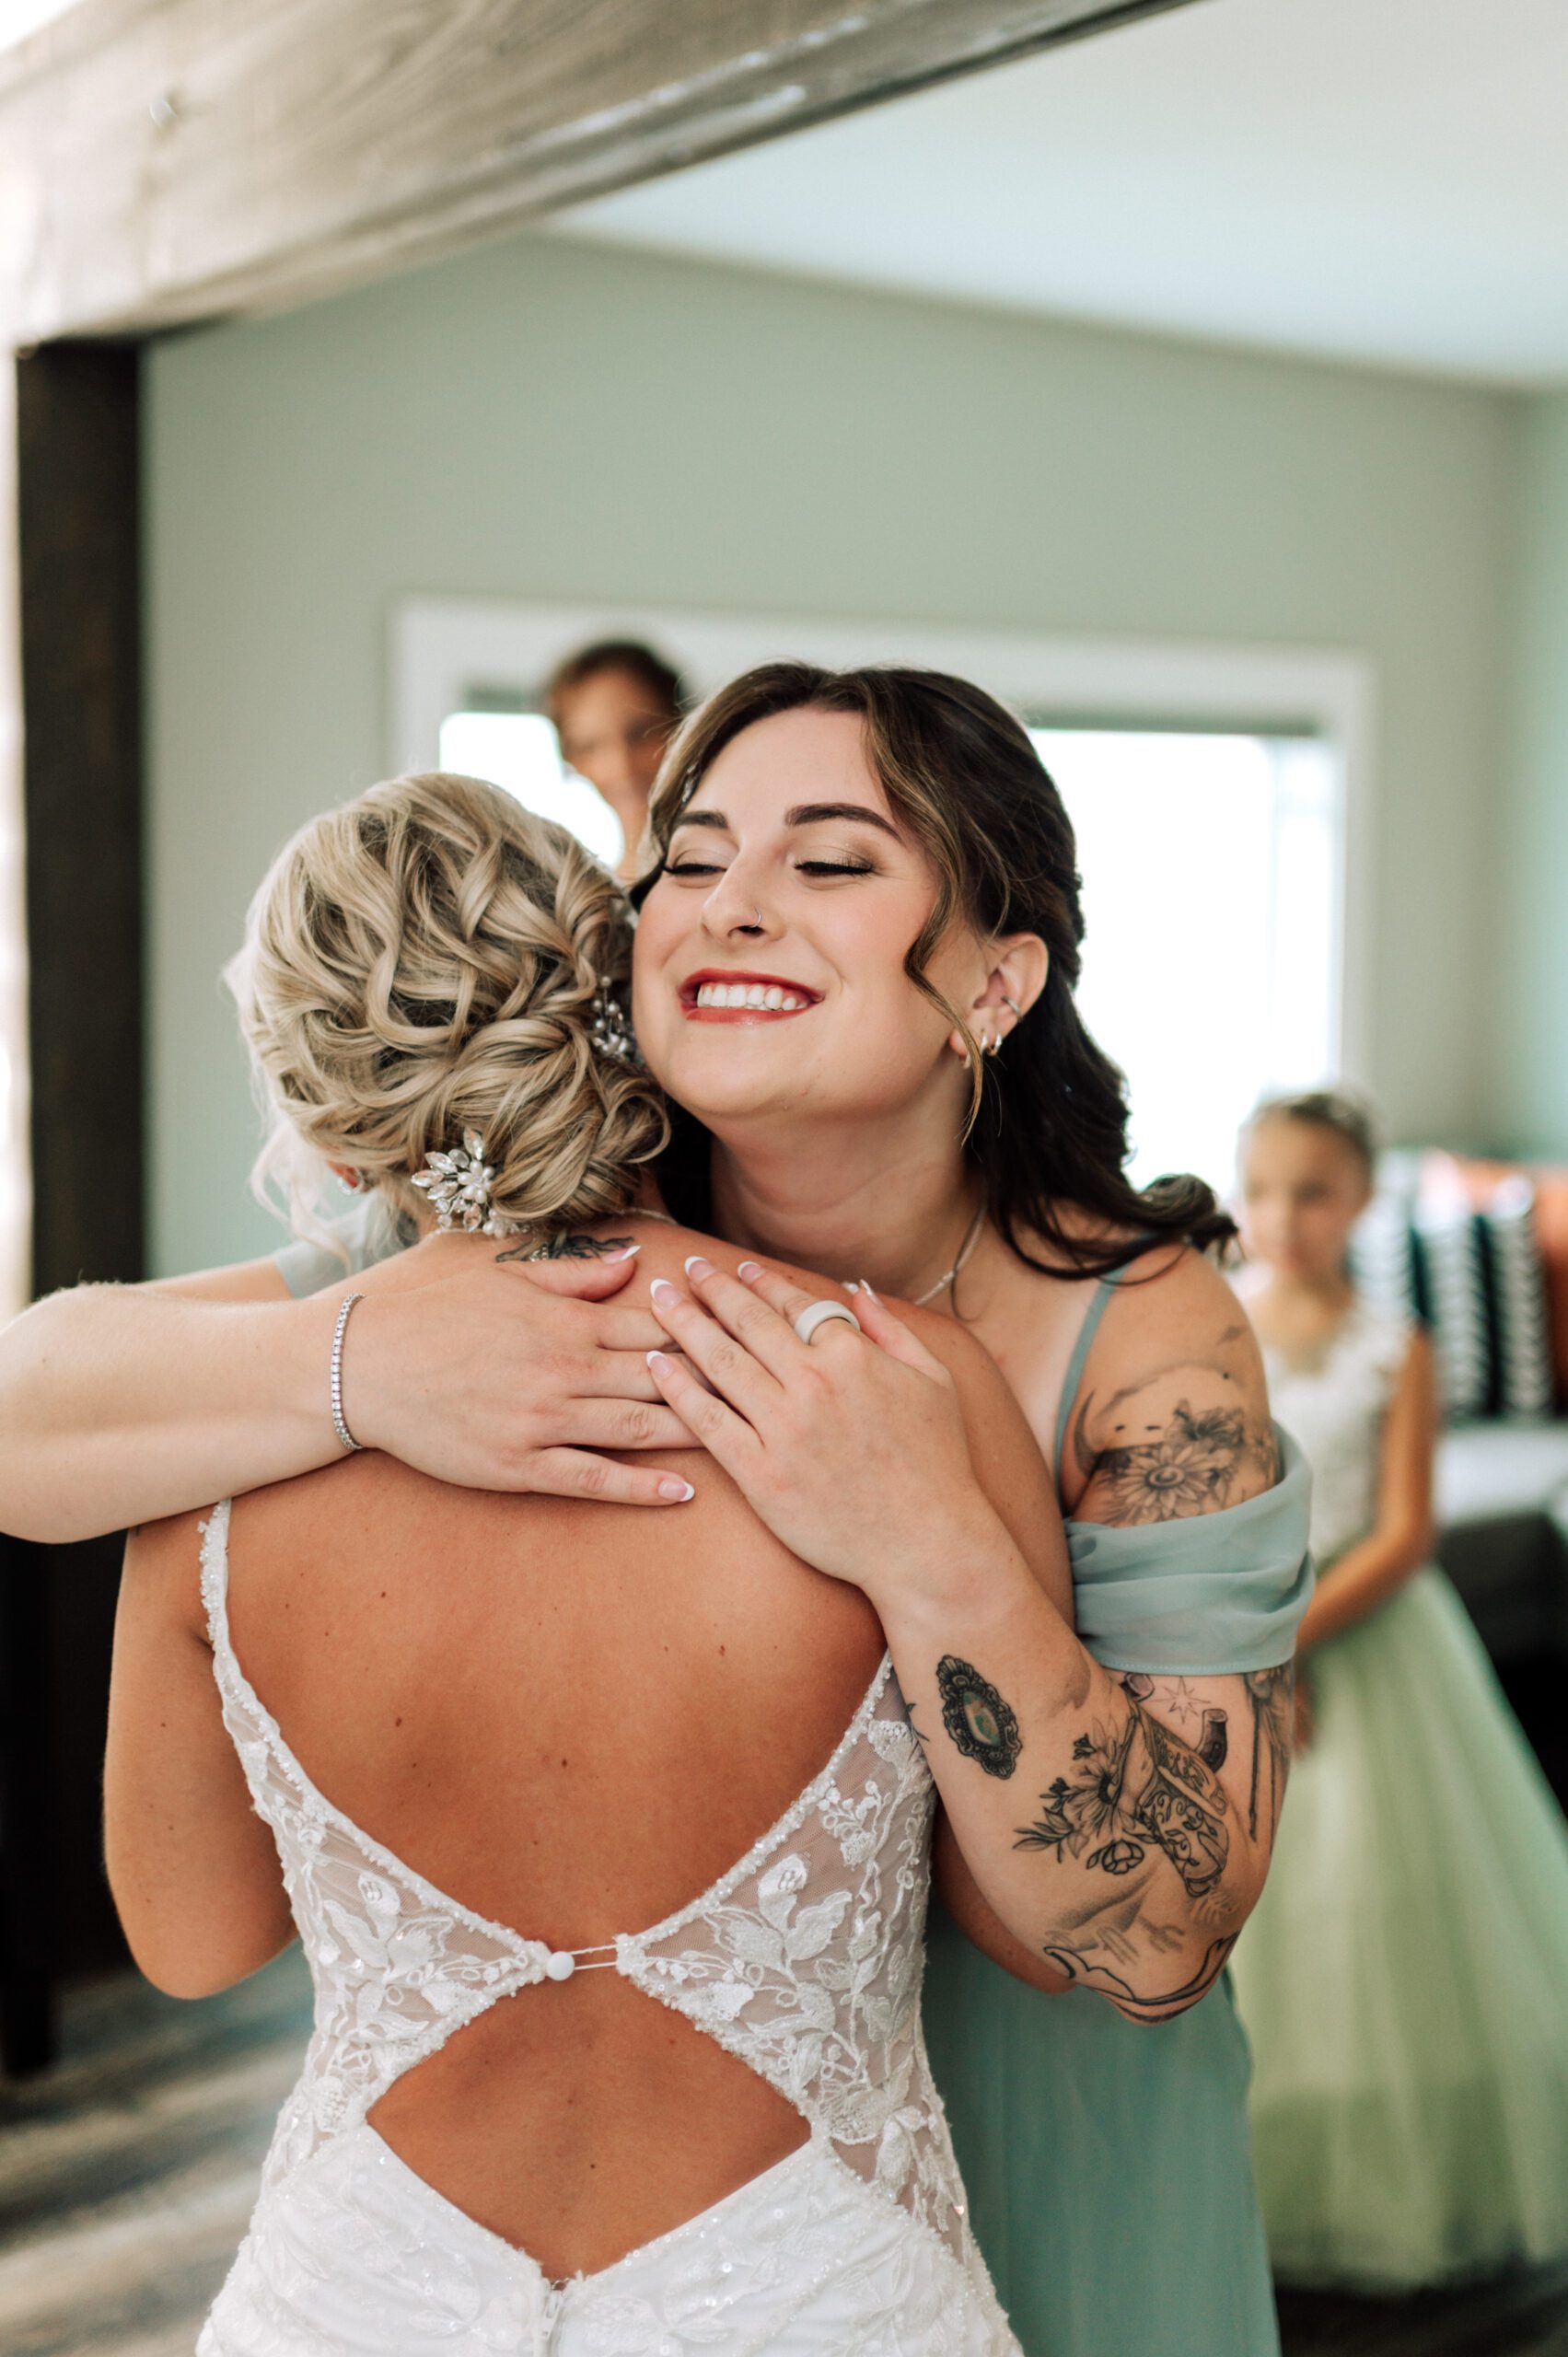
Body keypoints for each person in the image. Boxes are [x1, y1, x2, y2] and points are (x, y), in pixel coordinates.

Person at [2, 667, 1312, 2357]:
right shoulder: (457, 1282)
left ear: (992, 982)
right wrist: (347, 1364)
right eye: (687, 860)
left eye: (830, 863)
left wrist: (926, 1541)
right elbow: (38, 1396)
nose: (732, 903)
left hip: (1048, 2159)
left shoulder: (1141, 1340)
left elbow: (1147, 1940)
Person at [106, 770, 1068, 2353]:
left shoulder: (209, 1479)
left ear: (330, 1118)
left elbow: (193, 1947)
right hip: (809, 2299)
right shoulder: (902, 1382)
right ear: (608, 998)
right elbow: (1025, 1917)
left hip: (366, 2298)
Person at [1228, 1090, 1568, 2291]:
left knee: (1374, 1910)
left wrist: (1294, 1642)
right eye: (1260, 1188)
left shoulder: (1392, 1345)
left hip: (1367, 1641)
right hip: (1239, 1635)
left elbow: (1406, 1529)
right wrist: (1243, 1642)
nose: (1281, 1217)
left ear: (1361, 1201)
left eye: (1311, 1192)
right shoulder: (1214, 1329)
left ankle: (1394, 2176)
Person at [545, 638, 686, 883]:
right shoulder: (590, 898)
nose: (622, 766)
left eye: (640, 733)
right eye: (589, 746)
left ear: (680, 727)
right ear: (571, 758)